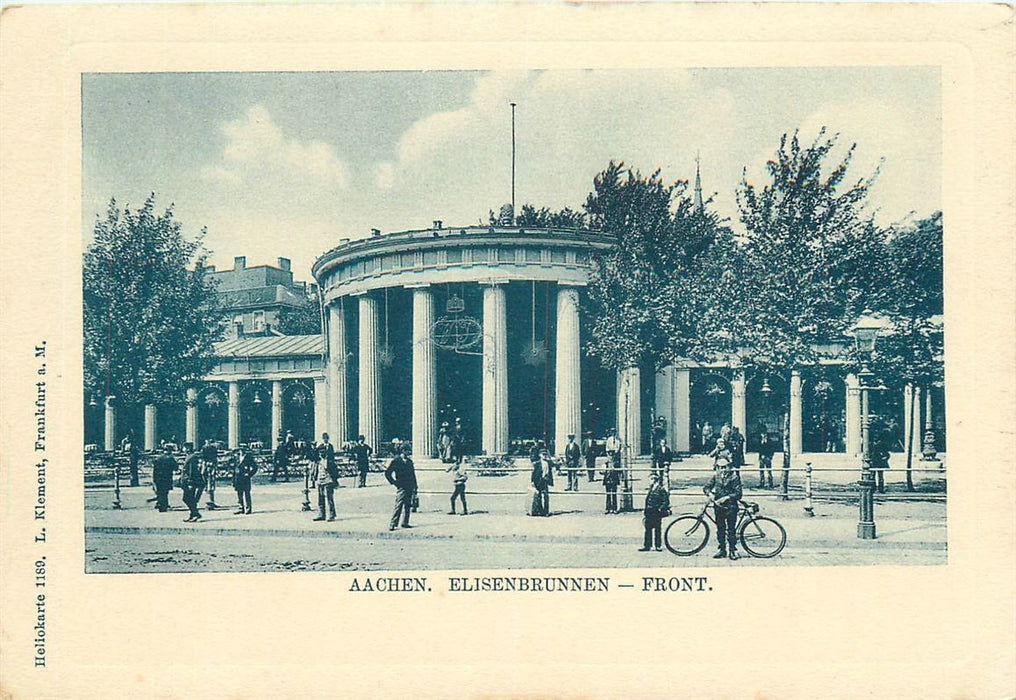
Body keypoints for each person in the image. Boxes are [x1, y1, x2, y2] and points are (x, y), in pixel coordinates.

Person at [703, 455, 743, 560]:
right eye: (720, 467)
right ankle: (722, 550)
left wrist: (726, 498)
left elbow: (738, 494)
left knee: (731, 529)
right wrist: (710, 494)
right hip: (718, 507)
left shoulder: (734, 477)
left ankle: (732, 550)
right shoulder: (716, 476)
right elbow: (706, 487)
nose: (723, 470)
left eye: (725, 467)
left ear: (729, 467)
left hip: (731, 507)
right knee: (720, 529)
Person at [385, 443, 417, 530]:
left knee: (408, 505)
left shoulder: (409, 462)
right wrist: (394, 482)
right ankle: (393, 523)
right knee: (398, 505)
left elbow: (413, 475)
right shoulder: (396, 461)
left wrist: (415, 486)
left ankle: (405, 522)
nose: (409, 452)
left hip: (409, 485)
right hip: (401, 486)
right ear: (403, 451)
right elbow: (387, 473)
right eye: (407, 450)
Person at [639, 474, 671, 551]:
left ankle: (658, 545)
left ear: (654, 479)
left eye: (650, 479)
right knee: (648, 529)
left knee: (657, 529)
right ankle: (647, 546)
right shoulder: (651, 489)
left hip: (656, 512)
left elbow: (666, 501)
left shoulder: (660, 489)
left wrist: (660, 508)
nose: (649, 482)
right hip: (649, 512)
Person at [180, 445, 204, 522]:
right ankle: (193, 514)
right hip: (188, 480)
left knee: (188, 498)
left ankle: (195, 514)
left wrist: (190, 481)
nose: (183, 449)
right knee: (189, 498)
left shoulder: (192, 457)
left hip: (191, 481)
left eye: (184, 447)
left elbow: (191, 470)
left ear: (188, 448)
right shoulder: (189, 456)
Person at [232, 446, 258, 514]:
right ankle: (241, 508)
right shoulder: (236, 457)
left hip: (245, 478)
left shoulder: (248, 458)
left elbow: (255, 467)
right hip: (238, 478)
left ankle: (248, 508)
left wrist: (249, 474)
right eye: (240, 450)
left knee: (247, 493)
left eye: (243, 450)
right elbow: (233, 467)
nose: (241, 451)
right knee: (239, 493)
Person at [151, 443, 177, 512]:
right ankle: (163, 506)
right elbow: (176, 468)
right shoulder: (170, 458)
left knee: (160, 491)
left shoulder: (158, 458)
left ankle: (161, 504)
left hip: (158, 478)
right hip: (167, 478)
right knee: (165, 492)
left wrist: (154, 479)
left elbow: (154, 469)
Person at [530, 448, 554, 516]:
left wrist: (550, 459)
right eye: (543, 454)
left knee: (546, 497)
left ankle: (546, 511)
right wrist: (532, 482)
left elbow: (555, 465)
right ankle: (541, 511)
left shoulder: (548, 462)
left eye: (545, 454)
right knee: (539, 497)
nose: (544, 456)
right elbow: (534, 473)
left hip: (545, 481)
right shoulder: (537, 464)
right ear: (539, 455)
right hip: (538, 481)